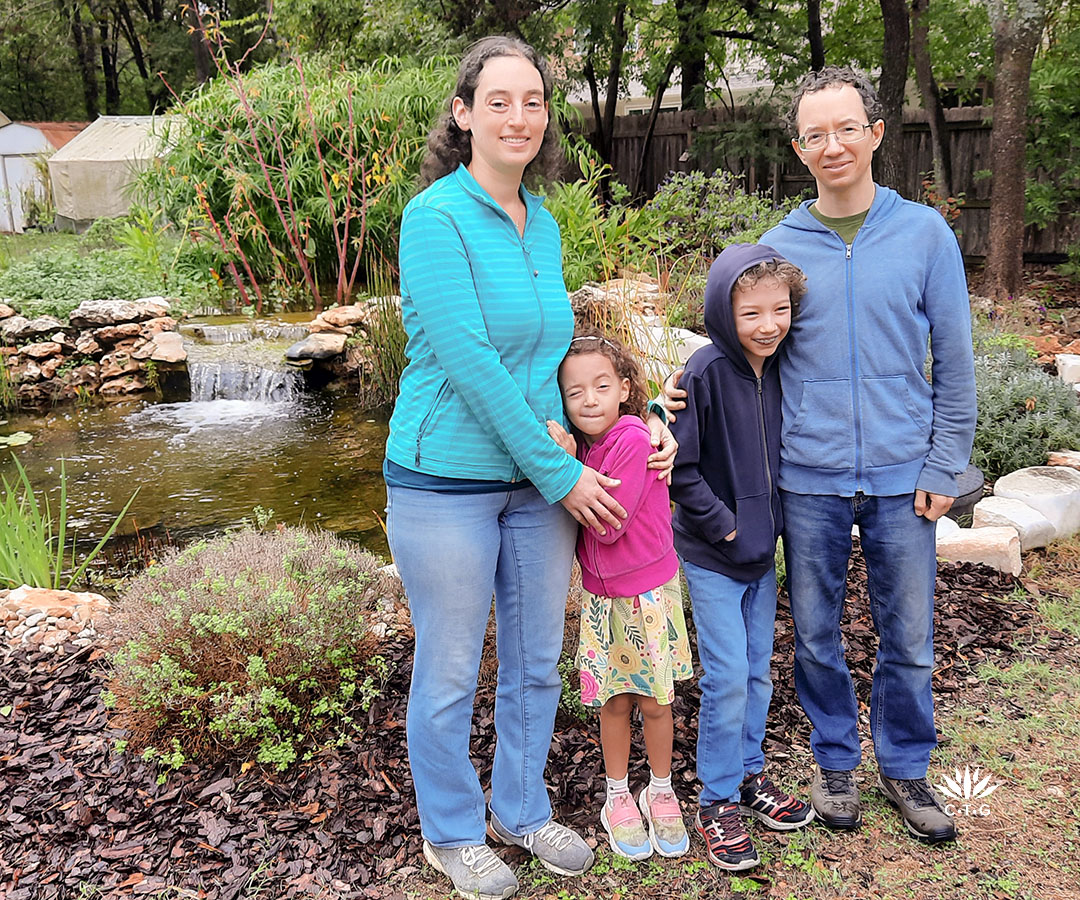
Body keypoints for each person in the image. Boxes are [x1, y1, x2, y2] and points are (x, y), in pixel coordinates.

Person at [383, 37, 675, 900]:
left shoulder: (540, 222)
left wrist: (631, 427)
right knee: (446, 669)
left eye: (535, 102)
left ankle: (519, 805)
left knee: (538, 660)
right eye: (500, 101)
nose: (520, 117)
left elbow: (554, 353)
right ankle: (451, 831)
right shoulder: (434, 218)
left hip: (537, 479)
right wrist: (565, 477)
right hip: (444, 481)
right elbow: (470, 362)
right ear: (464, 113)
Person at [667, 67, 976, 844]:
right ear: (799, 147)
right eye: (815, 134)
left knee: (907, 637)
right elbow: (736, 350)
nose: (832, 145)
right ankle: (835, 762)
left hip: (907, 475)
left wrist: (946, 463)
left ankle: (905, 768)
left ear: (875, 133)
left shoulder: (924, 234)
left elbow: (958, 360)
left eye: (847, 128)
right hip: (806, 478)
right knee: (814, 634)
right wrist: (671, 398)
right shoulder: (780, 246)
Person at [666, 244, 815, 871]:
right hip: (714, 555)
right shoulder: (701, 373)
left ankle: (749, 774)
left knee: (757, 672)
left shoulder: (781, 368)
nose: (768, 324)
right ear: (723, 312)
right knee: (727, 677)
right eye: (750, 312)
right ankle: (716, 799)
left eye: (779, 310)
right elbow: (680, 468)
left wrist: (766, 530)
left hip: (763, 554)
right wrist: (725, 528)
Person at [547, 331, 693, 862]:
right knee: (613, 701)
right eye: (575, 391)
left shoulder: (632, 439)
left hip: (647, 597)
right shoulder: (588, 444)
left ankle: (660, 788)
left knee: (655, 702)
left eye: (602, 386)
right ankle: (616, 795)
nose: (588, 399)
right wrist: (574, 457)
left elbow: (607, 526)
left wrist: (566, 467)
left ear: (624, 387)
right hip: (602, 598)